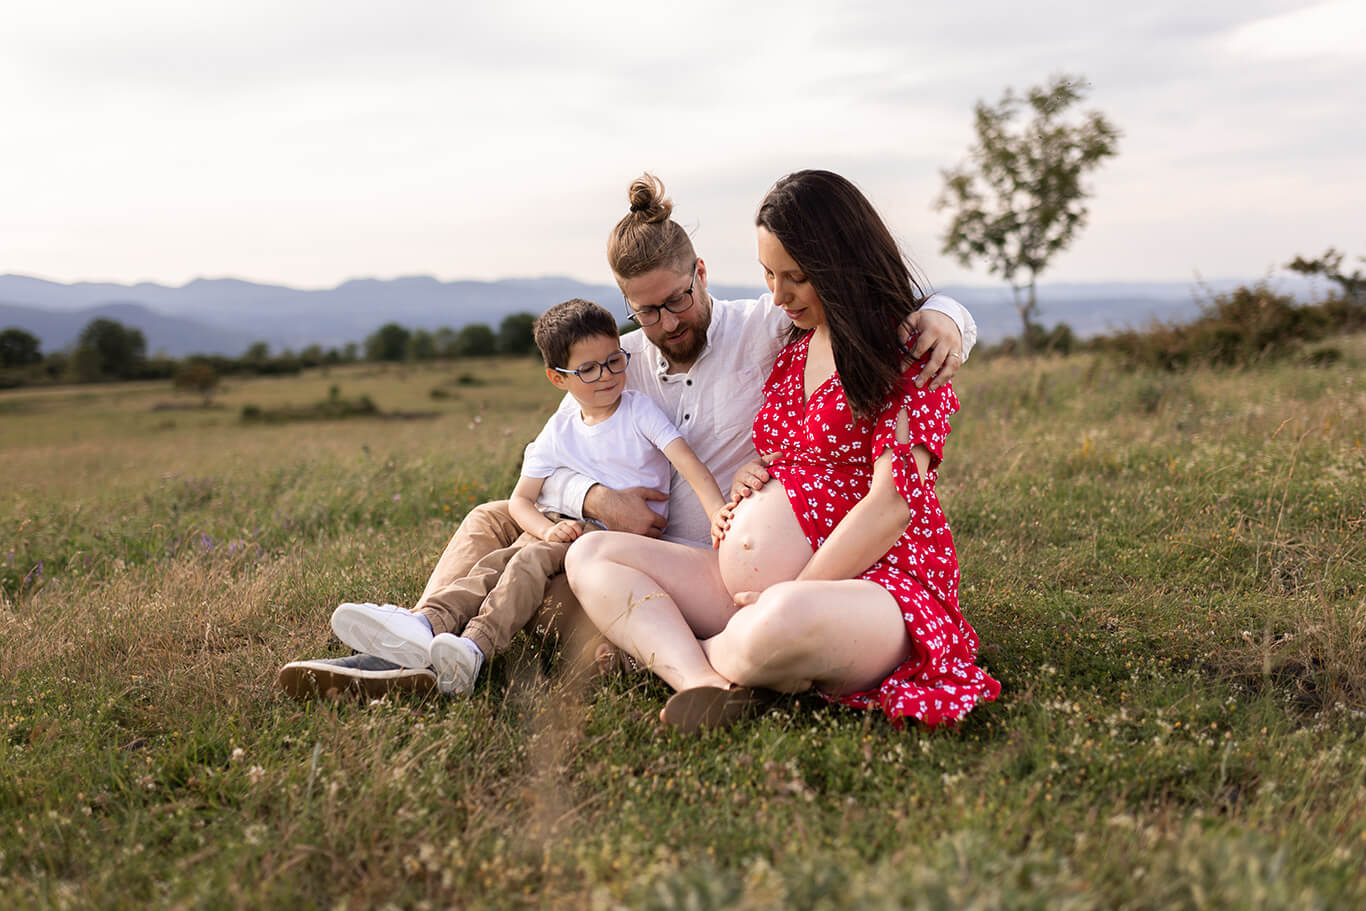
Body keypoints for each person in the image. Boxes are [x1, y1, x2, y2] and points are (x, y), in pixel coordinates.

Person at [276, 173, 977, 700]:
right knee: (495, 517)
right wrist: (598, 499)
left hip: (699, 568)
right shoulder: (619, 364)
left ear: (702, 275)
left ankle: (442, 654)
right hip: (659, 556)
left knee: (537, 563)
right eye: (649, 310)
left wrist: (949, 315)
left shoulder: (763, 329)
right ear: (626, 308)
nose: (670, 321)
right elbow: (548, 466)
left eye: (680, 299)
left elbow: (876, 317)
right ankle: (413, 640)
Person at [565, 170, 1001, 732]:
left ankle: (685, 648)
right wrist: (757, 473)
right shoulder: (792, 347)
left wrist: (795, 588)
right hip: (749, 589)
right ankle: (705, 683)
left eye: (795, 277)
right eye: (769, 274)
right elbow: (792, 455)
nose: (777, 295)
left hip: (866, 586)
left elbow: (892, 507)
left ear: (840, 266)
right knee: (592, 556)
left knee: (779, 620)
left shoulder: (903, 354)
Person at [323, 299, 726, 694]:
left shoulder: (638, 411)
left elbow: (688, 464)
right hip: (569, 527)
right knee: (501, 556)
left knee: (525, 559)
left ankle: (473, 646)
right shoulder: (563, 424)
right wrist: (546, 530)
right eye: (588, 369)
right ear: (558, 378)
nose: (606, 375)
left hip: (619, 547)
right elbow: (522, 500)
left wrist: (717, 514)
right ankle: (426, 625)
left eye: (615, 361)